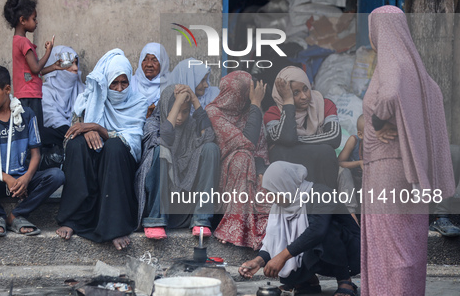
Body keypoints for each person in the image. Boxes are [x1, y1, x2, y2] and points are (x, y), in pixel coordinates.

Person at [361, 5, 456, 296]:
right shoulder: (417, 69)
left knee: (389, 249)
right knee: (408, 247)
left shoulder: (391, 62)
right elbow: (434, 96)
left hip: (386, 168)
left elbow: (387, 96)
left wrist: (378, 122)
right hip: (414, 172)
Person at [55, 49, 148, 250]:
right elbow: (75, 127)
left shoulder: (138, 101)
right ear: (105, 82)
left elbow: (131, 139)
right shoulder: (91, 97)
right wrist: (86, 128)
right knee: (76, 145)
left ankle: (115, 227)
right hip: (95, 155)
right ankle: (73, 219)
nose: (119, 88)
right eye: (114, 83)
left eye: (124, 83)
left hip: (120, 160)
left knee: (114, 147)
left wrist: (96, 127)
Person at [0, 64, 65, 237]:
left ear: (7, 89)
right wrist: (7, 178)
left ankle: (16, 215)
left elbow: (36, 154)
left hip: (22, 182)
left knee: (57, 176)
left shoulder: (27, 114)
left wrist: (26, 178)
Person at [239, 162, 360, 296]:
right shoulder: (280, 207)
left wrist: (282, 257)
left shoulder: (322, 193)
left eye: (273, 192)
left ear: (285, 186)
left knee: (321, 229)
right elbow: (274, 239)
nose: (270, 198)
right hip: (320, 249)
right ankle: (307, 282)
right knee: (295, 241)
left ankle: (344, 279)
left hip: (350, 250)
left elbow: (318, 231)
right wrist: (258, 261)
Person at [136, 83, 220, 239]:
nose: (180, 117)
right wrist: (177, 103)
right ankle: (156, 220)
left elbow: (209, 137)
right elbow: (165, 138)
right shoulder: (152, 124)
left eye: (185, 111)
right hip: (158, 199)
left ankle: (201, 219)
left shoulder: (192, 125)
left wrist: (195, 100)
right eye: (176, 111)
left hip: (184, 200)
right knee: (162, 151)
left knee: (211, 148)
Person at [205, 70, 270, 249]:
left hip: (249, 168)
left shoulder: (250, 112)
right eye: (249, 95)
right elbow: (246, 142)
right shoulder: (213, 112)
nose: (251, 99)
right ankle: (231, 226)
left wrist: (262, 172)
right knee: (242, 157)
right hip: (222, 173)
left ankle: (260, 231)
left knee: (269, 178)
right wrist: (257, 104)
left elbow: (260, 150)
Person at [264, 66, 341, 190]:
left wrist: (298, 140)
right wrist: (288, 102)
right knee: (279, 151)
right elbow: (288, 137)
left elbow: (334, 138)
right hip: (289, 179)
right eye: (295, 93)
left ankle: (325, 200)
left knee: (327, 152)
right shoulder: (273, 113)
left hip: (318, 169)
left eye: (306, 89)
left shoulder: (324, 104)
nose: (304, 96)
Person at [3, 0, 64, 127]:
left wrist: (53, 67)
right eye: (34, 19)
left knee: (26, 132)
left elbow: (33, 70)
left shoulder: (17, 41)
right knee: (35, 132)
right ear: (23, 20)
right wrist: (49, 51)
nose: (36, 22)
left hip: (24, 94)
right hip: (30, 95)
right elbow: (36, 68)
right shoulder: (24, 42)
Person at [39, 45, 84, 168]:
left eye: (76, 63)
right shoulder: (44, 92)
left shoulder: (83, 90)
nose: (75, 69)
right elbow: (52, 118)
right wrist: (74, 131)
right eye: (69, 65)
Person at [130, 42, 170, 117]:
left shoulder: (170, 84)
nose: (149, 64)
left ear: (163, 63)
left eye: (154, 60)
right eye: (145, 59)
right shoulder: (131, 83)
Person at [338, 114, 364, 190]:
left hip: (366, 181)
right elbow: (339, 163)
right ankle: (351, 202)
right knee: (344, 172)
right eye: (371, 134)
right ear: (360, 134)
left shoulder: (378, 147)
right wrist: (359, 163)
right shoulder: (354, 141)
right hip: (351, 179)